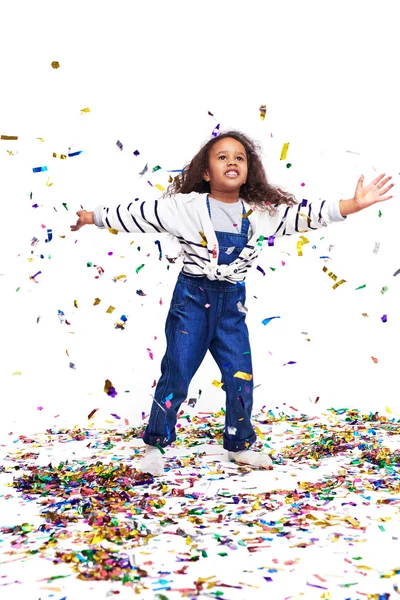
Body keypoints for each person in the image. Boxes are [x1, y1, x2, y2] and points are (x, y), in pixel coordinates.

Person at [71, 130, 394, 476]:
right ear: (206, 172)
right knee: (177, 372)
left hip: (231, 307)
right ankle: (155, 445)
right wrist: (92, 216)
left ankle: (239, 445)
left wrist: (353, 204)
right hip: (191, 301)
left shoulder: (259, 213)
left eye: (239, 158)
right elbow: (138, 214)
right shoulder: (184, 208)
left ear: (248, 170)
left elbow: (304, 216)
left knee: (240, 377)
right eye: (222, 157)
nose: (231, 162)